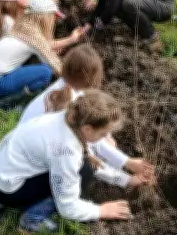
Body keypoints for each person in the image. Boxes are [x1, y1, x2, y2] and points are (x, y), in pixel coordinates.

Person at [0, 91, 154, 231]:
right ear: (87, 129)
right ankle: (32, 219)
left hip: (0, 175)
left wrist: (127, 174)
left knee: (85, 166)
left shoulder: (70, 117)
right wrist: (100, 211)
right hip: (8, 190)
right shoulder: (65, 150)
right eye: (104, 134)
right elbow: (67, 206)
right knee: (85, 172)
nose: (105, 138)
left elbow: (93, 146)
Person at [20, 45, 156, 180]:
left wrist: (106, 137)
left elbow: (88, 135)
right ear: (94, 78)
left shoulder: (65, 90)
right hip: (30, 165)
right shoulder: (68, 105)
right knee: (86, 171)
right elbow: (85, 151)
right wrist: (127, 170)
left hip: (21, 150)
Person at [0, 0, 85, 106]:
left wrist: (70, 39)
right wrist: (80, 89)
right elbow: (57, 66)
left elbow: (43, 45)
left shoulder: (21, 26)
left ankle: (0, 95)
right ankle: (8, 102)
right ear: (45, 17)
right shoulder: (34, 37)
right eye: (53, 16)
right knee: (45, 71)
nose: (54, 20)